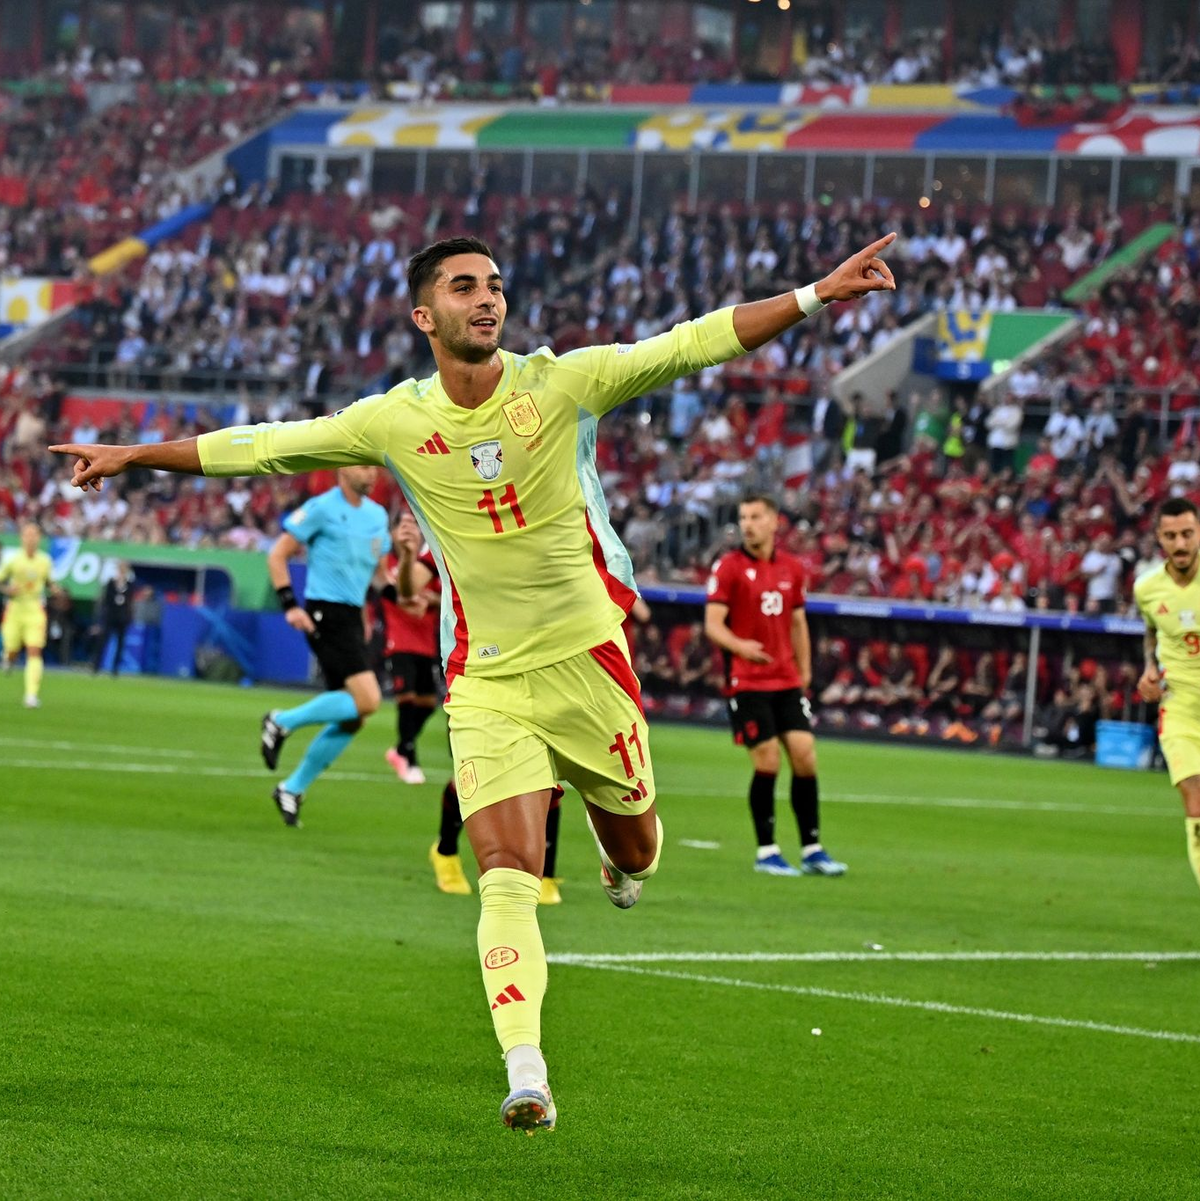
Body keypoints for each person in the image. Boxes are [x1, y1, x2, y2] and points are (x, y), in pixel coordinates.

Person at [50, 230, 896, 1134]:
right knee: (506, 872)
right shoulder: (394, 422)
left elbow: (692, 340)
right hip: (485, 678)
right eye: (464, 287)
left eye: (494, 284)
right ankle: (526, 1068)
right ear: (426, 316)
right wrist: (137, 457)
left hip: (588, 662)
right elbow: (267, 446)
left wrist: (815, 295)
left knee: (639, 851)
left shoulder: (564, 382)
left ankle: (621, 854)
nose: (487, 298)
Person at [392, 512, 564, 905]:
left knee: (550, 771)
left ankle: (545, 873)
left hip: (534, 665)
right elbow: (407, 591)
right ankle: (446, 851)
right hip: (474, 674)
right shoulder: (453, 530)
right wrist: (405, 557)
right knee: (475, 775)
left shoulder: (533, 531)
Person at [703, 495, 847, 878]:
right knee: (768, 759)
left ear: (774, 522)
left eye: (755, 516)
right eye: (743, 517)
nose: (748, 524)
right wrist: (740, 647)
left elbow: (799, 624)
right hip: (747, 681)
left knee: (805, 755)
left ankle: (813, 848)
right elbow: (713, 623)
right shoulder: (729, 567)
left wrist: (805, 672)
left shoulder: (792, 568)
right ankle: (767, 851)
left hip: (785, 679)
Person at [259, 467, 390, 827]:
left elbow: (379, 575)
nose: (373, 472)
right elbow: (277, 554)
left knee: (354, 718)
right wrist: (290, 606)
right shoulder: (321, 508)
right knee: (369, 700)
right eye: (364, 465)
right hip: (324, 613)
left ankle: (292, 788)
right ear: (344, 469)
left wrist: (400, 593)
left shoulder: (377, 516)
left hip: (353, 618)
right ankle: (281, 721)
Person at [1135, 497, 1200, 897]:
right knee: (1194, 795)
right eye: (1171, 535)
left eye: (1187, 534)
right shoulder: (1146, 588)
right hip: (1179, 708)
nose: (1180, 544)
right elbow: (1150, 631)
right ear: (1159, 538)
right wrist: (1148, 668)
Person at [380, 514, 441, 786]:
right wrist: (412, 600)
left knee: (428, 704)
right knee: (406, 700)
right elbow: (392, 593)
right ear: (392, 532)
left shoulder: (428, 566)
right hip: (399, 641)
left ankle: (400, 748)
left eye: (414, 524)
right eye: (403, 525)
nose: (409, 530)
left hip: (426, 642)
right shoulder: (389, 564)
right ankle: (410, 758)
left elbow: (443, 597)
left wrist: (431, 599)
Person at [1, 522, 53, 707]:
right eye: (27, 534)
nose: (31, 538)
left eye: (34, 534)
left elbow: (49, 582)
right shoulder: (13, 560)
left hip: (34, 609)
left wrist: (55, 589)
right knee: (12, 651)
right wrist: (8, 589)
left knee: (34, 650)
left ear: (39, 538)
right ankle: (9, 659)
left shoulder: (45, 560)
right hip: (15, 608)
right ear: (22, 537)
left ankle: (31, 695)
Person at [91, 560, 135, 674]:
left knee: (120, 643)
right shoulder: (111, 583)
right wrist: (101, 617)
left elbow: (129, 602)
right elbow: (106, 601)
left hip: (122, 618)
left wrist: (129, 617)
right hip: (110, 616)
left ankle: (115, 668)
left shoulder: (129, 586)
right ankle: (96, 666)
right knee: (103, 641)